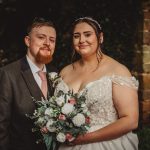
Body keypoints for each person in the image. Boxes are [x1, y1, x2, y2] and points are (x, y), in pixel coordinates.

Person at [55, 17, 139, 150]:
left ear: (100, 37)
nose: (82, 40)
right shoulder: (65, 71)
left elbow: (130, 120)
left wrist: (84, 138)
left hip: (106, 144)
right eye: (77, 36)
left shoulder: (118, 71)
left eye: (87, 34)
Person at [0, 17, 58, 150]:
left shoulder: (56, 74)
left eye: (52, 40)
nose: (47, 43)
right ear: (27, 41)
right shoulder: (8, 74)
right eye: (41, 37)